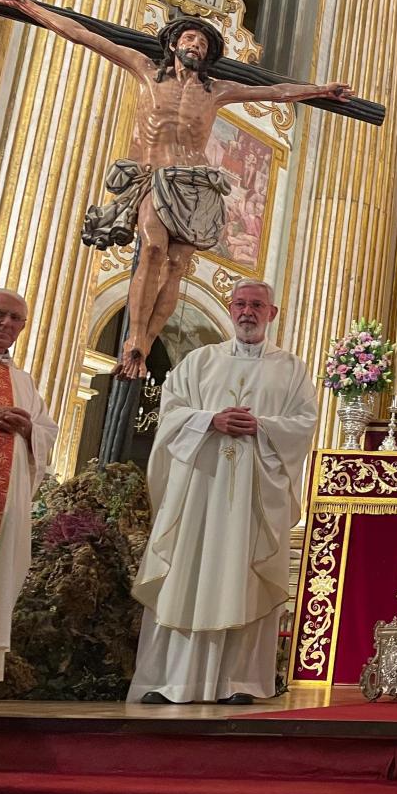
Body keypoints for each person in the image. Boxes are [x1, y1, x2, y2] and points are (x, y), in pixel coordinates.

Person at [0, 0, 352, 380]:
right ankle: (134, 338)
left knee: (178, 263)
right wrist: (24, 4)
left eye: (201, 42)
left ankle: (144, 347)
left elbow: (275, 91)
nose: (195, 45)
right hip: (156, 176)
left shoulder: (216, 91)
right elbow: (82, 34)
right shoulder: (145, 71)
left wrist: (320, 90)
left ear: (208, 54)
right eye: (189, 38)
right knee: (152, 248)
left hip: (196, 184)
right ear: (174, 43)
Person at [128, 280, 317, 704]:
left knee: (243, 577)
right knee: (187, 575)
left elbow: (305, 422)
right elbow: (171, 414)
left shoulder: (291, 369)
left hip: (253, 494)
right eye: (240, 304)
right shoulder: (198, 362)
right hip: (200, 492)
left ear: (272, 313)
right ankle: (173, 681)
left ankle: (239, 682)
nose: (246, 312)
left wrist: (263, 426)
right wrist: (210, 420)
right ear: (231, 310)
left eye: (256, 305)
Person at [0, 289, 57, 683]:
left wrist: (30, 427)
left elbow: (48, 431)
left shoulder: (24, 381)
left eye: (16, 319)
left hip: (7, 503)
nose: (7, 325)